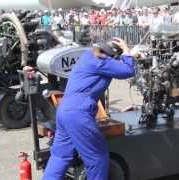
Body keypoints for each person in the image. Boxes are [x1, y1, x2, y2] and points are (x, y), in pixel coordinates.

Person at [42, 37, 137, 180]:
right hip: (79, 114)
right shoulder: (102, 61)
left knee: (60, 155)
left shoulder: (88, 56)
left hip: (64, 111)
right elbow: (128, 70)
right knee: (97, 157)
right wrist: (127, 52)